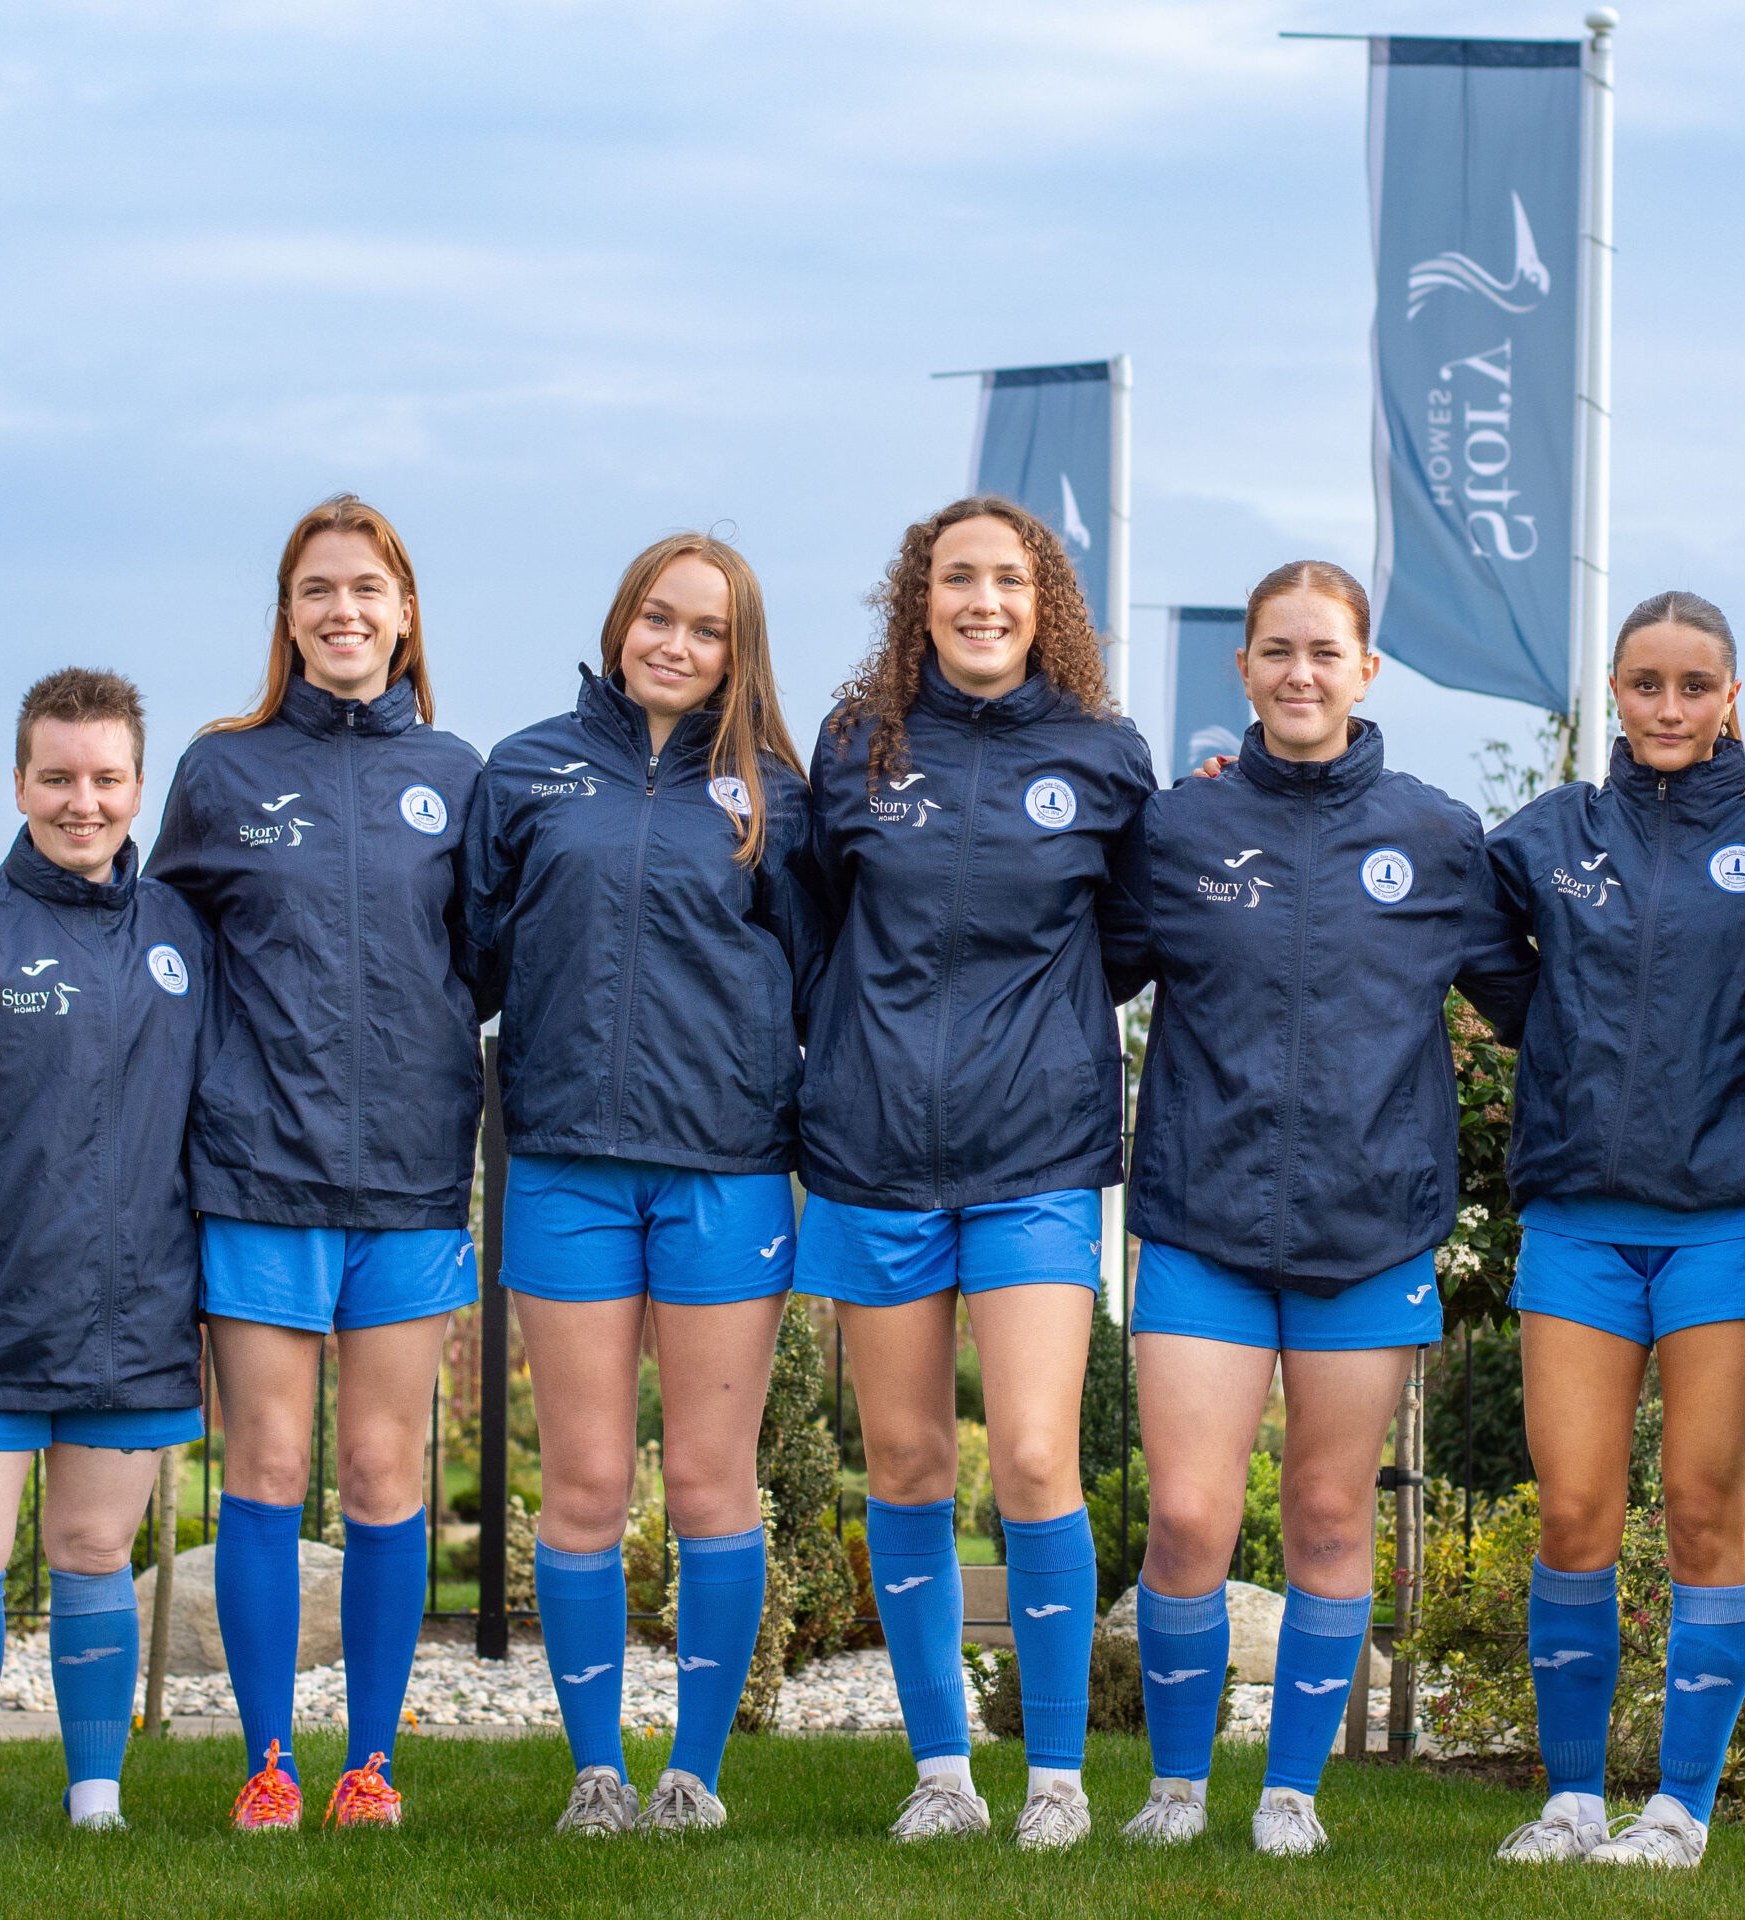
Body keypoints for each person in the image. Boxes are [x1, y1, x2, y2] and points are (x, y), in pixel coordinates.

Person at [1098, 560, 1534, 1857]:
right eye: (1277, 651)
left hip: (1370, 1232)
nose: (1300, 673)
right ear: (1243, 669)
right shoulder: (1177, 830)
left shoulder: (1438, 836)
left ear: (1365, 670)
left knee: (1332, 1519)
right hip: (1202, 1222)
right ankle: (1177, 1790)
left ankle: (1290, 1794)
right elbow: (1076, 973)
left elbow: (1533, 1007)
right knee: (1190, 1518)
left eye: (1324, 652)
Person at [792, 495, 1156, 1848]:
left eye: (1008, 578)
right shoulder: (856, 745)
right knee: (902, 1459)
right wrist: (864, 1049)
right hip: (873, 1149)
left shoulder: (1104, 755)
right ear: (920, 597)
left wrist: (1031, 1037)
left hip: (1035, 1153)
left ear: (1041, 599)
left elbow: (1133, 937)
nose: (982, 600)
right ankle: (941, 1773)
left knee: (1038, 1457)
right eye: (957, 578)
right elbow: (814, 925)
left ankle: (1055, 1781)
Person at [463, 532, 824, 1836]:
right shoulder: (525, 772)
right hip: (564, 1172)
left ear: (739, 652)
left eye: (706, 628)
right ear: (622, 622)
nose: (676, 643)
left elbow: (820, 984)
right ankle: (597, 1774)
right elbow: (468, 964)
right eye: (657, 617)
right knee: (585, 1486)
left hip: (726, 1175)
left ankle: (693, 1778)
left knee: (712, 1485)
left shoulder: (778, 798)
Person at [147, 495, 487, 1830]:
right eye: (317, 591)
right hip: (258, 1177)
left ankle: (370, 1766)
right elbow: (167, 963)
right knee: (269, 1471)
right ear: (287, 620)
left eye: (366, 589)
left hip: (409, 1180)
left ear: (405, 615)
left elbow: (485, 964)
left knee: (386, 1477)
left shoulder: (458, 775)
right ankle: (270, 1765)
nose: (343, 610)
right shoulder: (222, 771)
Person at [0, 668, 214, 1840]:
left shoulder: (181, 936)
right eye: (57, 778)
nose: (82, 802)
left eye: (106, 779)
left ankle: (95, 1796)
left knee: (94, 1549)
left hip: (135, 1314)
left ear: (138, 786)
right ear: (18, 782)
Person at [1480, 593, 1745, 1870]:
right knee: (1573, 1513)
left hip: (1730, 1220)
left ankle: (1677, 1813)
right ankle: (1569, 1803)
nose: (1669, 708)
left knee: (1703, 1507)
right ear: (1612, 690)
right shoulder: (1551, 832)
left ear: (1731, 697)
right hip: (1577, 1220)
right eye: (1646, 684)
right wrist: (1548, 1026)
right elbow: (1451, 917)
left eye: (1694, 686)